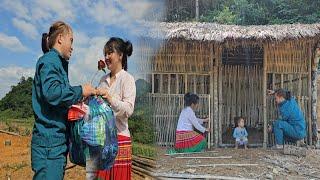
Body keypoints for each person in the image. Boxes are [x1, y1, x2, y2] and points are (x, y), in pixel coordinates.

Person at [31, 21, 96, 179]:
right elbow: (53, 93)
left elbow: (58, 99)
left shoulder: (57, 63)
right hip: (49, 143)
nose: (72, 46)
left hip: (55, 143)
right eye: (71, 40)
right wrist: (80, 90)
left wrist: (80, 99)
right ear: (60, 38)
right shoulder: (50, 61)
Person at [93, 37, 136, 180]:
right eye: (105, 54)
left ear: (121, 55)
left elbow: (129, 110)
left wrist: (110, 99)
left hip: (120, 140)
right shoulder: (102, 80)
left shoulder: (127, 79)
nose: (106, 57)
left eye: (110, 53)